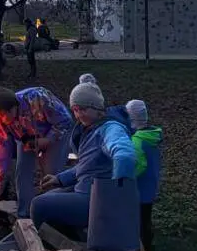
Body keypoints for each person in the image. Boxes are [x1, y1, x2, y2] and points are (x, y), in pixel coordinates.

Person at [31, 82, 136, 240]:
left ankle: (46, 249)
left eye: (84, 109)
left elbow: (124, 153)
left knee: (38, 205)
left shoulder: (109, 129)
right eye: (75, 110)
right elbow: (87, 165)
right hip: (84, 188)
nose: (79, 115)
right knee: (50, 195)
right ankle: (75, 241)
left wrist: (119, 187)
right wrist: (59, 179)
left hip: (97, 200)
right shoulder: (90, 127)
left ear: (97, 108)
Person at [0, 86, 74, 218]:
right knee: (22, 172)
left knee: (51, 171)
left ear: (13, 107)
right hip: (26, 137)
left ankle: (54, 212)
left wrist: (47, 140)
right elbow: (0, 154)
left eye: (3, 115)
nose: (1, 119)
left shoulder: (38, 98)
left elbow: (65, 121)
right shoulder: (0, 122)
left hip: (57, 133)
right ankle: (24, 215)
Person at [124, 100, 163, 251]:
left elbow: (139, 166)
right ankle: (147, 245)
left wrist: (125, 175)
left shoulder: (137, 141)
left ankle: (141, 249)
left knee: (139, 220)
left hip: (139, 189)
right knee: (146, 218)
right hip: (151, 185)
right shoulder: (151, 136)